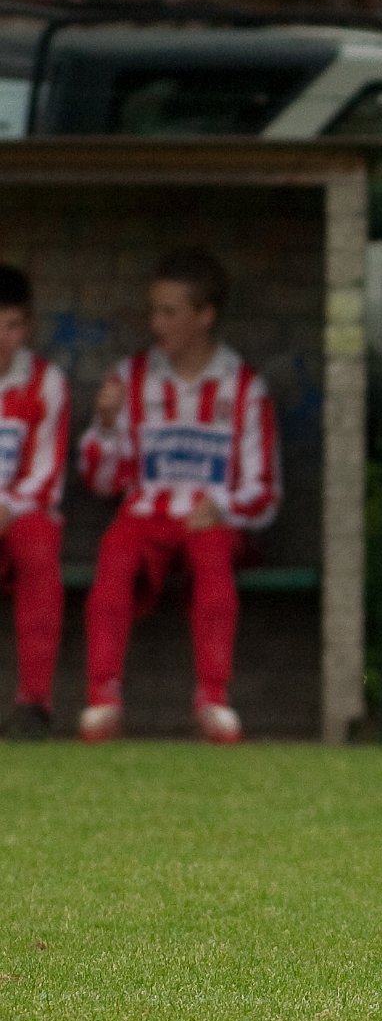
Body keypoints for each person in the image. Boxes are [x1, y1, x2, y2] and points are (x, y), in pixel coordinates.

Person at [77, 249, 282, 744]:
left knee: (213, 556)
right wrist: (105, 424)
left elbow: (264, 489)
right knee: (115, 552)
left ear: (205, 315)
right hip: (145, 517)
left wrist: (223, 508)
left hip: (209, 521)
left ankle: (213, 699)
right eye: (154, 311)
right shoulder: (131, 378)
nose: (157, 324)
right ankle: (102, 699)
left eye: (169, 312)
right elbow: (100, 481)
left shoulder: (243, 387)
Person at [0, 265, 70, 742]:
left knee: (40, 549)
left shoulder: (46, 382)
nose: (1, 339)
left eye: (11, 326)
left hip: (19, 516)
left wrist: (7, 507)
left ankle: (33, 703)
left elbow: (47, 472)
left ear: (27, 327)